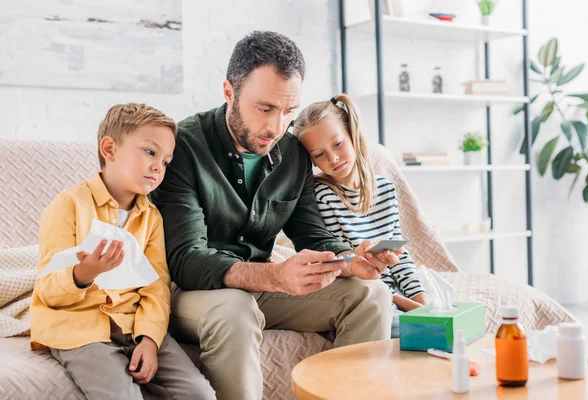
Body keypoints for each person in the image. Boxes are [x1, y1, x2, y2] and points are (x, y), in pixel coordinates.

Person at [151, 31, 402, 400]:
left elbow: (312, 235)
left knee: (371, 295)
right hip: (191, 291)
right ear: (229, 92)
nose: (276, 126)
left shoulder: (292, 153)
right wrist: (275, 276)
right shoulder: (183, 145)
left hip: (262, 285)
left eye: (288, 112)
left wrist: (351, 261)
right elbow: (186, 260)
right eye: (265, 108)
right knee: (234, 308)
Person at [30, 103, 216, 400]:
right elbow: (48, 289)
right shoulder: (68, 205)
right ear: (109, 149)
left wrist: (150, 339)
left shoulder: (152, 217)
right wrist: (84, 273)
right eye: (150, 152)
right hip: (80, 328)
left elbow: (156, 287)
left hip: (134, 323)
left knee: (200, 394)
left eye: (166, 161)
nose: (159, 166)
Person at [293, 94, 428, 338]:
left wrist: (423, 303)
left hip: (395, 291)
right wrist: (411, 308)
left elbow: (400, 257)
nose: (332, 158)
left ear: (352, 134)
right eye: (319, 154)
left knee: (448, 313)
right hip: (360, 288)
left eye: (337, 144)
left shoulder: (385, 188)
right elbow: (344, 269)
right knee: (407, 327)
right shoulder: (322, 196)